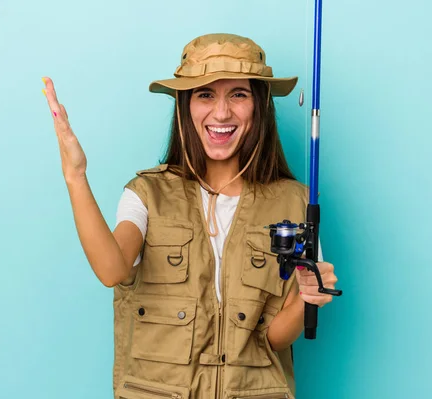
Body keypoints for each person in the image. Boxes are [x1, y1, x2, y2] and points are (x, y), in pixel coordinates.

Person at [42, 33, 338, 399]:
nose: (222, 112)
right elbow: (112, 270)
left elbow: (275, 340)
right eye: (205, 94)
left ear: (259, 106)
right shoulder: (146, 194)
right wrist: (76, 176)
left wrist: (303, 299)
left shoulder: (297, 204)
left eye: (239, 94)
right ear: (185, 105)